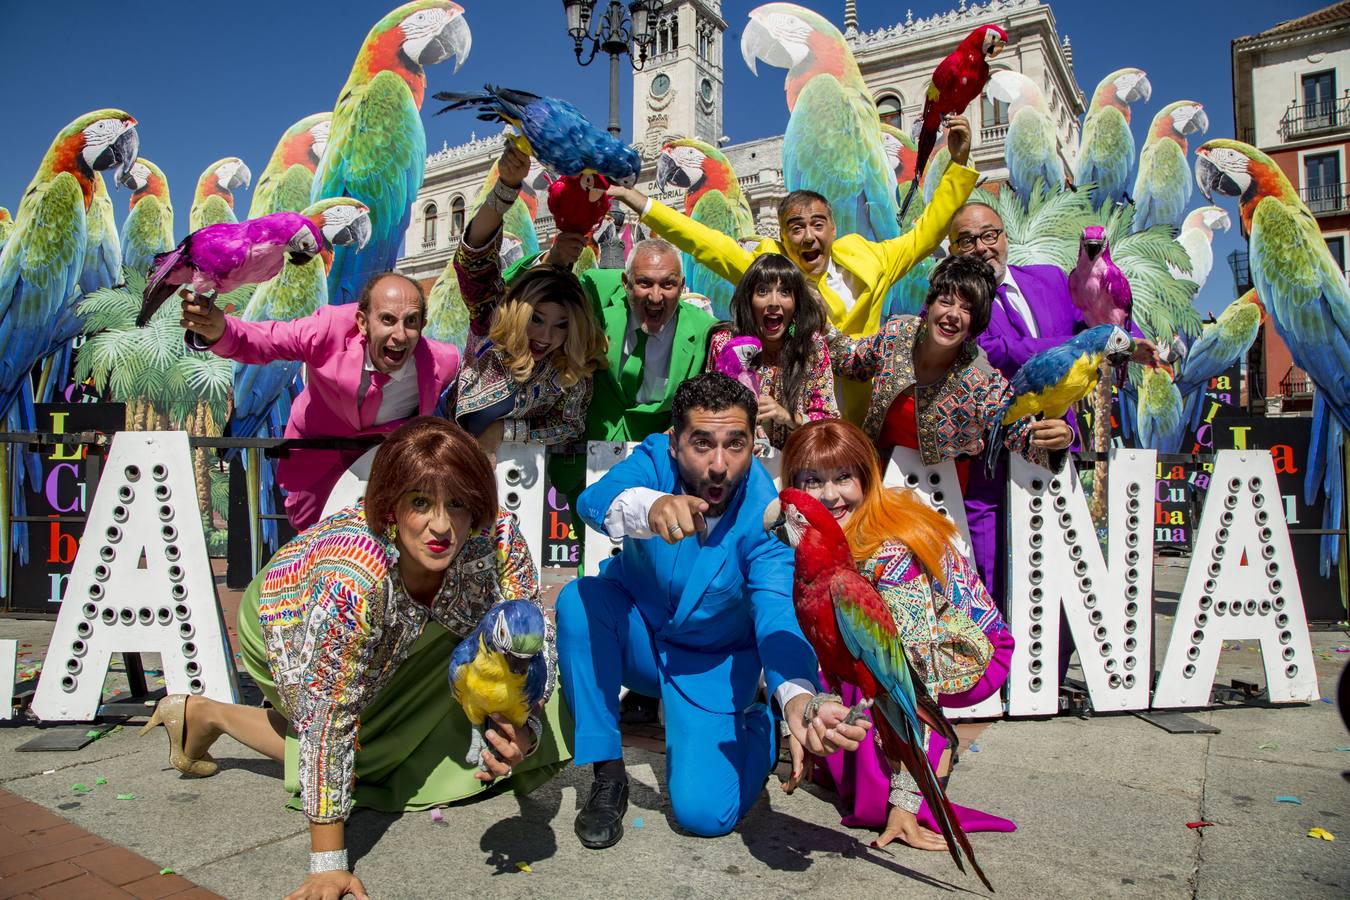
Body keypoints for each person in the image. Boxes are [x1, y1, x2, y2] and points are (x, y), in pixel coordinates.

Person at [139, 419, 569, 900]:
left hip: (412, 627)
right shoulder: (352, 580)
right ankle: (209, 715)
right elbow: (329, 717)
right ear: (390, 507)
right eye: (420, 502)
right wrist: (327, 866)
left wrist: (524, 729)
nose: (441, 526)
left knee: (545, 693)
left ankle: (203, 715)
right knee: (364, 748)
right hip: (289, 621)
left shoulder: (499, 538)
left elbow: (534, 643)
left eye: (458, 504)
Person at [556, 373, 870, 849]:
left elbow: (776, 614)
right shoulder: (654, 459)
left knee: (704, 815)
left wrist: (797, 698)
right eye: (702, 443)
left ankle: (760, 730)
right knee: (579, 601)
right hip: (636, 636)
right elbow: (593, 501)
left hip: (711, 666)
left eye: (735, 444)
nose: (719, 465)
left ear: (753, 442)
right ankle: (608, 775)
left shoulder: (766, 513)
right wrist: (651, 507)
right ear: (674, 442)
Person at [607, 116, 978, 420]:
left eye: (817, 224)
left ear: (833, 229)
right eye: (796, 228)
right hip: (794, 419)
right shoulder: (773, 272)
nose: (808, 236)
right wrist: (642, 203)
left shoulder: (872, 259)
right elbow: (705, 243)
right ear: (784, 237)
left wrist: (958, 166)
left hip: (862, 418)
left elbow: (927, 233)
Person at [781, 419, 1015, 851]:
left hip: (964, 650)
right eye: (812, 481)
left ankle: (929, 762)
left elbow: (918, 670)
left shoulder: (891, 555)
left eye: (843, 477)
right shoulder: (811, 542)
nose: (829, 496)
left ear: (866, 479)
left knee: (876, 788)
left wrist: (906, 803)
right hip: (888, 643)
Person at [946, 202, 1157, 609]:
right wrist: (1081, 345)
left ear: (1004, 237)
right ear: (953, 250)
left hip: (1057, 458)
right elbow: (992, 352)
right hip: (988, 476)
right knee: (993, 594)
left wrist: (1129, 344)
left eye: (989, 235)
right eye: (967, 240)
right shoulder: (949, 304)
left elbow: (1099, 324)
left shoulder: (1053, 280)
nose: (981, 247)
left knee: (1061, 598)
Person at [180, 272, 461, 530]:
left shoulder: (443, 363)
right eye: (387, 319)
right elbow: (268, 340)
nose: (399, 335)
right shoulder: (327, 330)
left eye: (411, 322)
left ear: (422, 326)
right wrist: (220, 330)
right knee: (308, 530)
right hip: (319, 453)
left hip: (383, 464)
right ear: (363, 322)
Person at [828, 254, 1075, 489]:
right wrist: (817, 320)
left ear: (975, 322)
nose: (953, 315)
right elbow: (850, 360)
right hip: (876, 481)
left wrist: (1059, 440)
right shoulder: (897, 335)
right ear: (930, 304)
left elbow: (1019, 433)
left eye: (967, 309)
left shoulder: (981, 381)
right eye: (945, 302)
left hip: (937, 496)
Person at [454, 144, 607, 455]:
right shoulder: (489, 319)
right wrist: (506, 187)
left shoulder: (569, 366)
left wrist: (502, 432)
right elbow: (474, 257)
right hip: (450, 460)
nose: (546, 336)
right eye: (536, 319)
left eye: (561, 325)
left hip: (523, 476)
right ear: (518, 312)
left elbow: (570, 426)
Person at [705, 253, 838, 451]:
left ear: (796, 303)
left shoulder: (812, 347)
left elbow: (829, 424)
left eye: (785, 292)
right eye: (763, 291)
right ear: (748, 300)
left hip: (797, 461)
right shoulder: (725, 343)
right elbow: (709, 413)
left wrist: (789, 417)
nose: (774, 302)